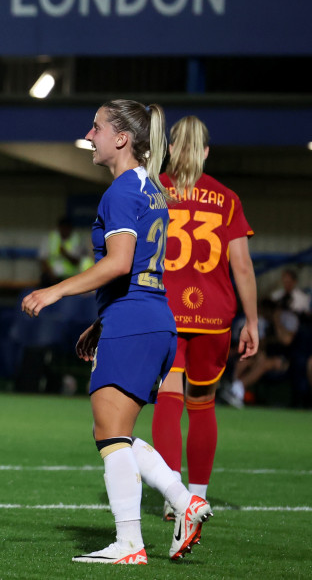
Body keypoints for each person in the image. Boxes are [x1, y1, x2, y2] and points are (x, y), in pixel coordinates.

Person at [21, 100, 212, 564]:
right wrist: (102, 321)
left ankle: (129, 543)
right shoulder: (151, 189)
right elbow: (139, 271)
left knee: (109, 436)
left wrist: (56, 291)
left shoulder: (121, 191)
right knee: (116, 433)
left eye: (98, 127)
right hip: (152, 320)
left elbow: (119, 262)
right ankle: (184, 500)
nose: (90, 134)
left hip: (134, 323)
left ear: (122, 139)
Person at [150, 115, 259, 518]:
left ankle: (171, 494)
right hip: (214, 316)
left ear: (171, 148)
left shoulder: (156, 190)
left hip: (166, 310)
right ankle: (195, 495)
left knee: (168, 401)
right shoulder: (227, 198)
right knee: (203, 405)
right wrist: (252, 321)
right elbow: (242, 268)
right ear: (207, 152)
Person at [38, 216, 91, 286]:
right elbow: (43, 259)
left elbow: (77, 262)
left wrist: (65, 254)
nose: (65, 230)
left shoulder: (77, 239)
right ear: (59, 227)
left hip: (70, 276)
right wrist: (50, 273)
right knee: (45, 279)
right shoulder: (50, 238)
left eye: (67, 228)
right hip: (52, 275)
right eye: (63, 228)